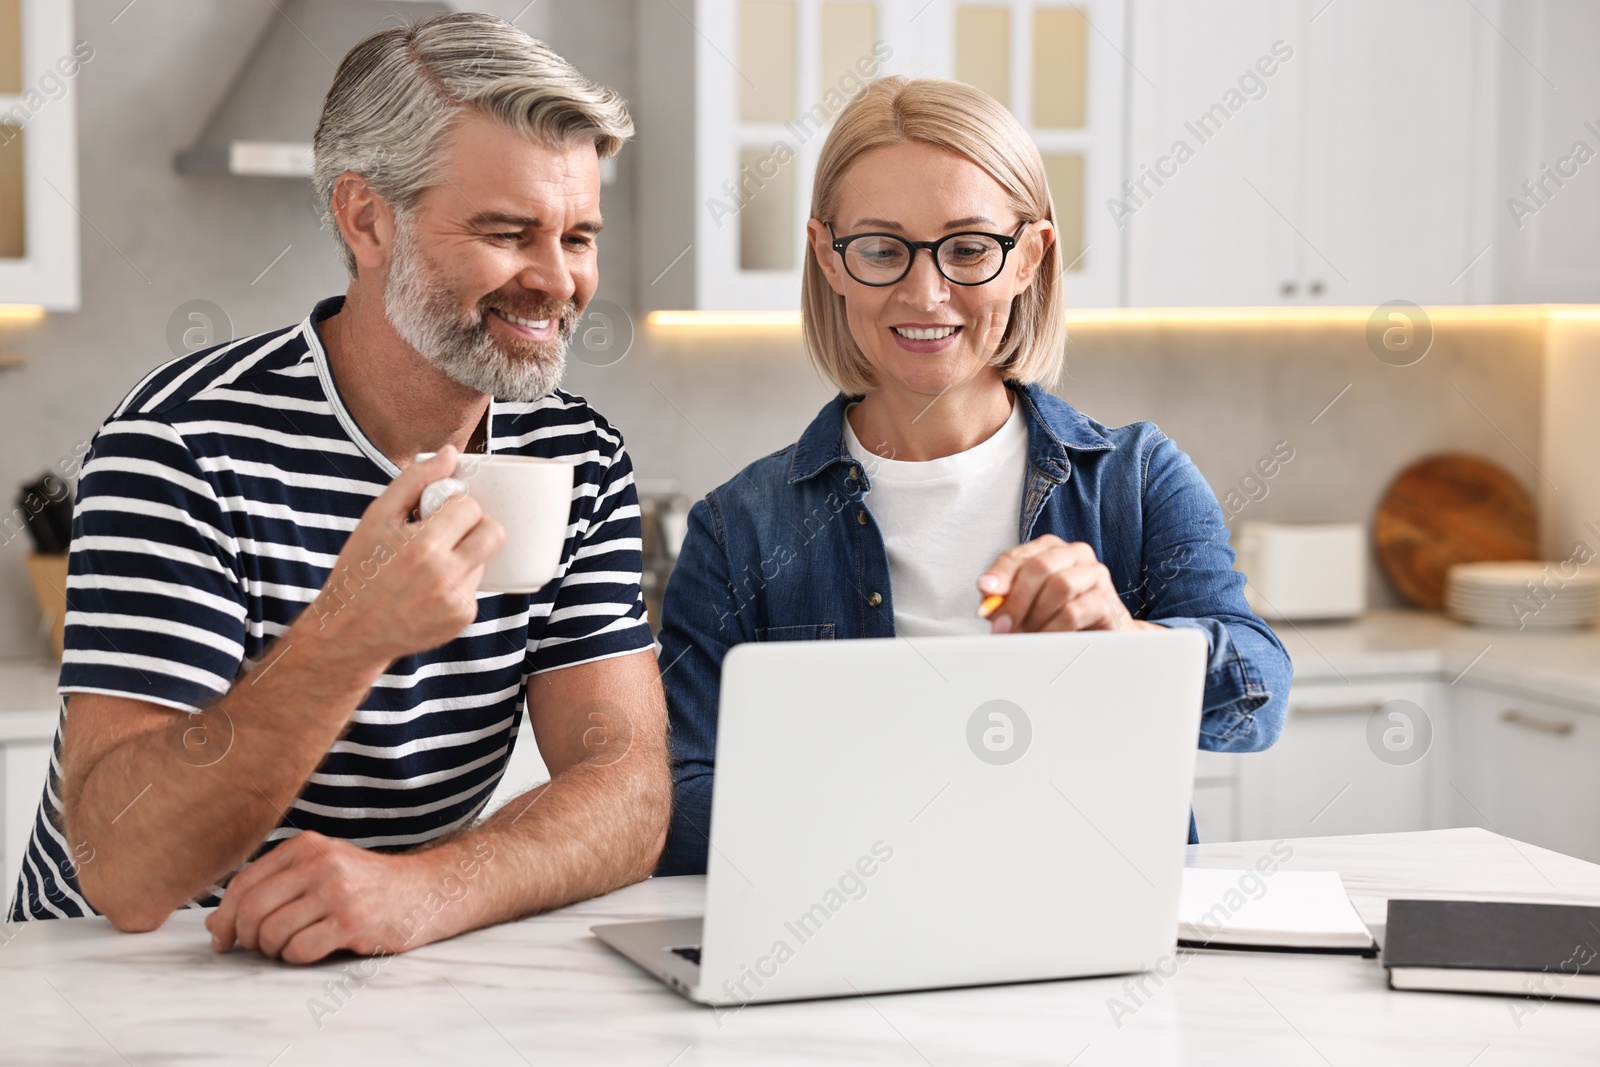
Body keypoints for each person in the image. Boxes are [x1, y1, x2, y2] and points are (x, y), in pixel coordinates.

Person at [6, 13, 671, 964]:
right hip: (114, 976)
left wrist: (424, 890)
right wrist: (353, 630)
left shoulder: (578, 454)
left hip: (379, 963)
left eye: (579, 236)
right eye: (508, 231)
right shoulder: (183, 447)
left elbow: (628, 787)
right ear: (366, 218)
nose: (557, 279)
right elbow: (126, 869)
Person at [655, 77, 1292, 875]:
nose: (926, 294)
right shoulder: (738, 530)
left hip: (1099, 940)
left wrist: (1127, 645)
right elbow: (674, 801)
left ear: (1029, 256)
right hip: (844, 953)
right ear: (829, 257)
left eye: (967, 248)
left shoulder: (1134, 479)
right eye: (883, 249)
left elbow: (1262, 692)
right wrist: (898, 818)